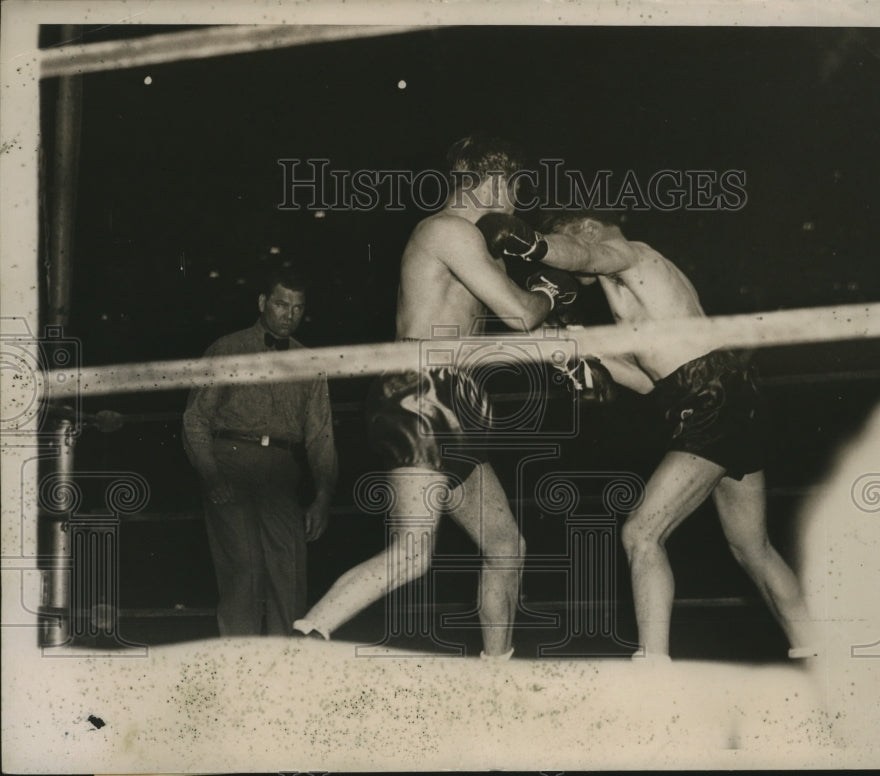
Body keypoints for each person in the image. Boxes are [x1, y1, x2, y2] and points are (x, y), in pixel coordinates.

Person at [476, 209, 815, 660]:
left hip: (712, 399)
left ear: (588, 228)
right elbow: (646, 381)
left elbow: (584, 256)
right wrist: (579, 347)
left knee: (641, 532)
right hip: (712, 398)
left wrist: (533, 242)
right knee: (753, 548)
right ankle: (818, 652)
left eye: (565, 250)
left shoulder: (631, 255)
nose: (560, 269)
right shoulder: (635, 293)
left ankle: (653, 666)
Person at [292, 136, 578, 657]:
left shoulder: (469, 245)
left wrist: (565, 346)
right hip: (419, 396)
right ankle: (298, 647)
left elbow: (489, 331)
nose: (516, 206)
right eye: (514, 190)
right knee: (413, 552)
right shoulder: (447, 231)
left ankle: (495, 682)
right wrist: (549, 292)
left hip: (452, 401)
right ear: (493, 183)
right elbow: (521, 313)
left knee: (506, 547)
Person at [183, 266, 337, 636]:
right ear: (263, 303)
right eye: (282, 305)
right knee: (243, 569)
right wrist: (211, 473)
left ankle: (283, 671)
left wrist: (323, 497)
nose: (289, 315)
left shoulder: (309, 363)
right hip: (230, 462)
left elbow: (321, 436)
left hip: (281, 469)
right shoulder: (227, 349)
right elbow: (195, 420)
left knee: (289, 570)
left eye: (298, 308)